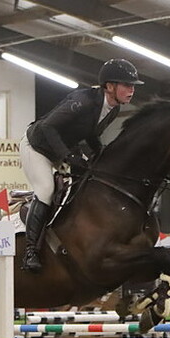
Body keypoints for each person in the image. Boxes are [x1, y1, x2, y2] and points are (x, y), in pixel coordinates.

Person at [20, 58, 143, 272]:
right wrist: (67, 156)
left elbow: (91, 134)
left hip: (64, 148)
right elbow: (49, 128)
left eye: (133, 86)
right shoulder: (82, 101)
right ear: (110, 86)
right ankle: (31, 251)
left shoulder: (112, 109)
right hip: (37, 147)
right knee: (46, 190)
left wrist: (102, 154)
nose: (131, 90)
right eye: (127, 85)